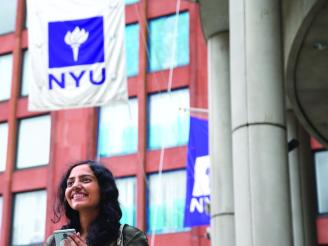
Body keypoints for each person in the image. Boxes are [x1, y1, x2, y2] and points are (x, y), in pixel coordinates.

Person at [46, 160, 148, 246]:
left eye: (85, 180)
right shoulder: (54, 241)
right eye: (70, 183)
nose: (75, 186)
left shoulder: (129, 237)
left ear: (103, 189)